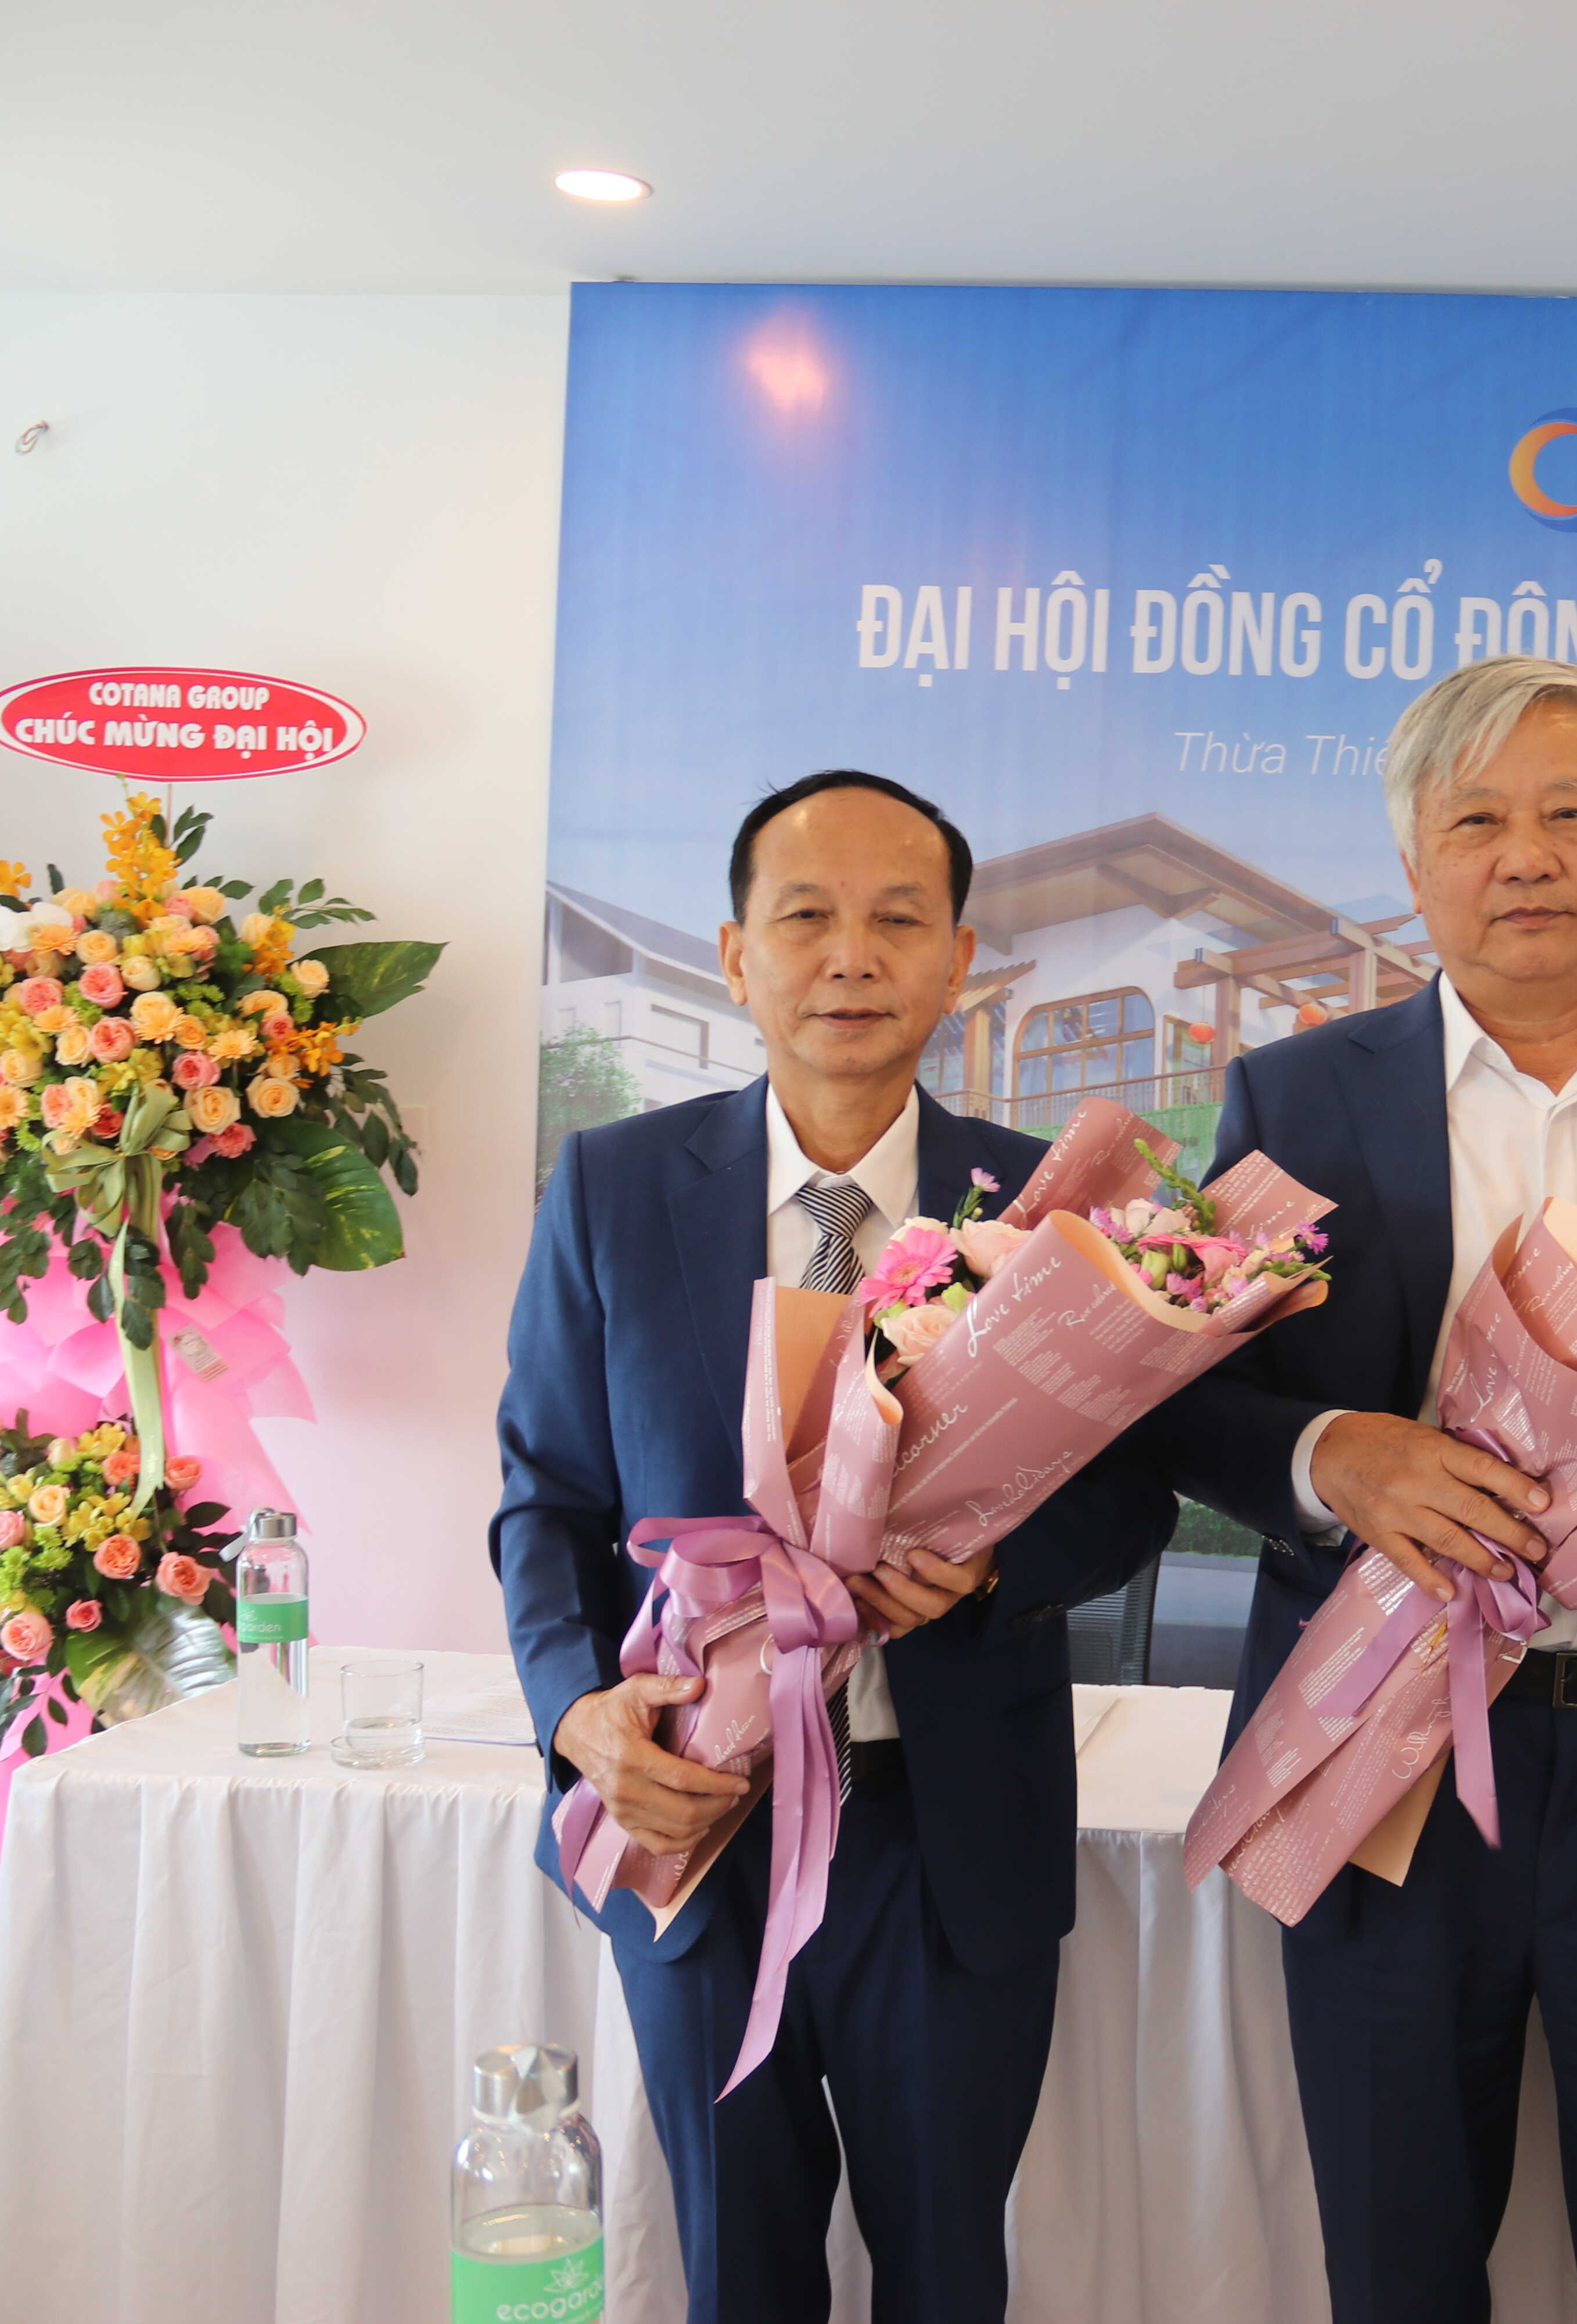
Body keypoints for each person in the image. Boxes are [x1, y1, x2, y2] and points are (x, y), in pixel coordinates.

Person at [1141, 657, 1577, 2324]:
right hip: (1386, 1767)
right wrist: (1332, 1455)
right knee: (1399, 2263)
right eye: (1476, 822)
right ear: (1415, 866)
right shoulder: (1298, 1095)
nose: (1526, 855)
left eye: (1569, 815)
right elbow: (1181, 1393)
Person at [493, 770, 1162, 2324]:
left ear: (959, 959)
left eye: (896, 920)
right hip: (702, 1814)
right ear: (738, 957)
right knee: (739, 2270)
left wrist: (999, 1567)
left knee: (949, 2271)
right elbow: (546, 1497)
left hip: (949, 1828)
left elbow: (1135, 1497)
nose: (850, 956)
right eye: (805, 917)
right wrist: (578, 1714)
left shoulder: (1052, 1204)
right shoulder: (614, 1187)